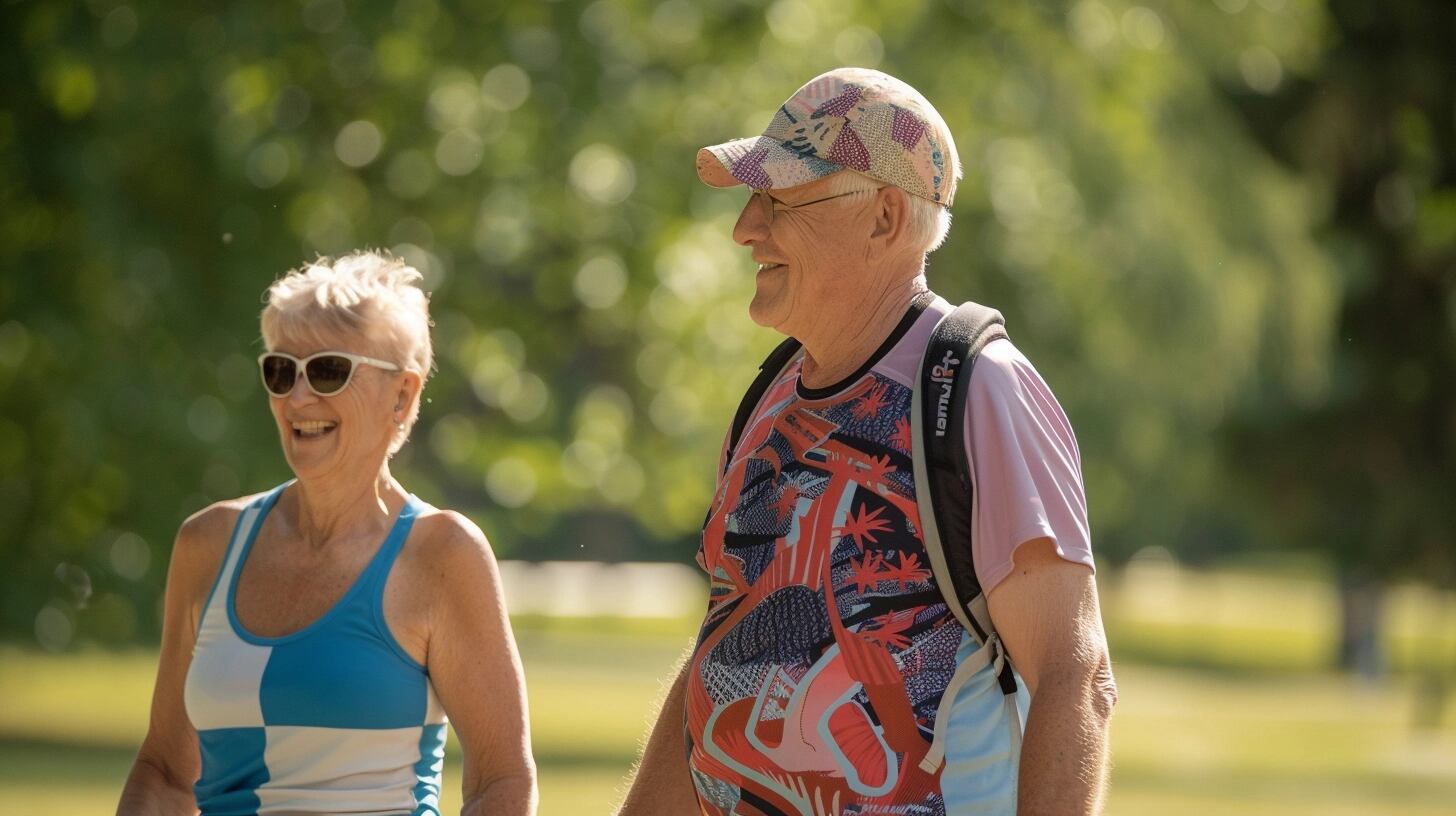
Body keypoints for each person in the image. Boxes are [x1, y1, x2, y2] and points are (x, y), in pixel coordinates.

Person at [620, 68, 1116, 815]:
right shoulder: (768, 398)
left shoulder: (979, 389)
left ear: (885, 217)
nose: (745, 228)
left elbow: (1073, 675)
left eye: (780, 200)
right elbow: (722, 646)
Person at [117, 251, 536, 815]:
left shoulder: (443, 554)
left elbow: (501, 783)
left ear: (402, 395)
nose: (296, 398)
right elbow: (165, 774)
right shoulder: (207, 544)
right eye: (280, 370)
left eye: (328, 370)